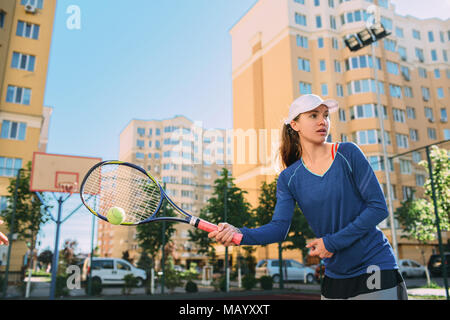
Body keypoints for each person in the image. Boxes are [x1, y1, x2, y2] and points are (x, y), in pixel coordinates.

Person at [208, 94, 407, 300]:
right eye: (313, 115)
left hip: (374, 264)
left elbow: (378, 207)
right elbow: (278, 229)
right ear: (295, 125)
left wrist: (332, 243)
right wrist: (238, 234)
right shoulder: (288, 178)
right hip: (335, 276)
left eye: (326, 115)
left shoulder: (348, 153)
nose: (323, 121)